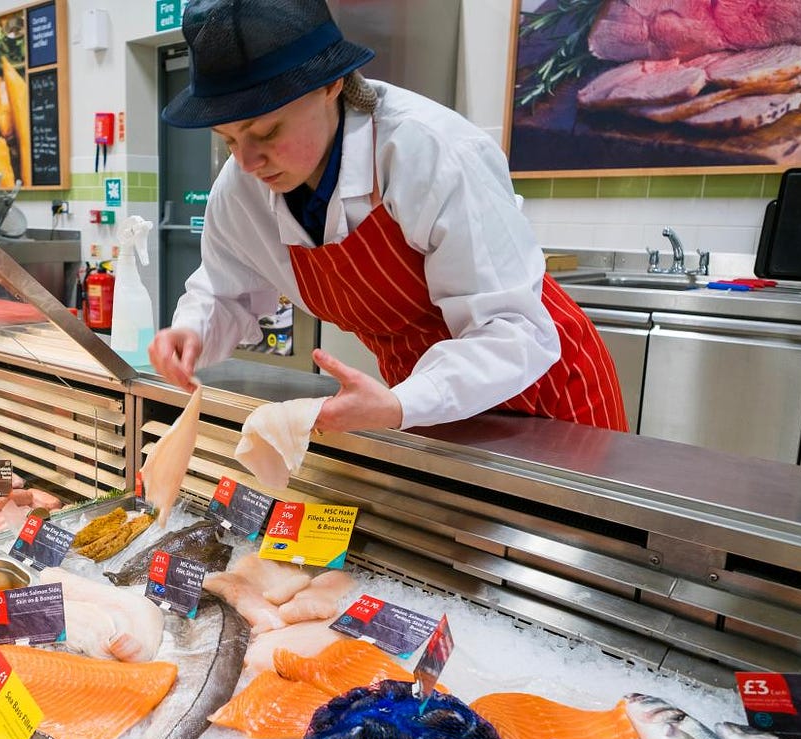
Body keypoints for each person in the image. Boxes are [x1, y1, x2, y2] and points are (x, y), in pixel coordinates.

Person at [150, 0, 626, 434]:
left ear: (331, 83)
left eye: (267, 131)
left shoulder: (430, 150)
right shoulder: (240, 189)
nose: (248, 161)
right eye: (229, 139)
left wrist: (406, 402)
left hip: (546, 396)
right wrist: (193, 331)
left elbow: (510, 331)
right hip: (417, 398)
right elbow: (225, 291)